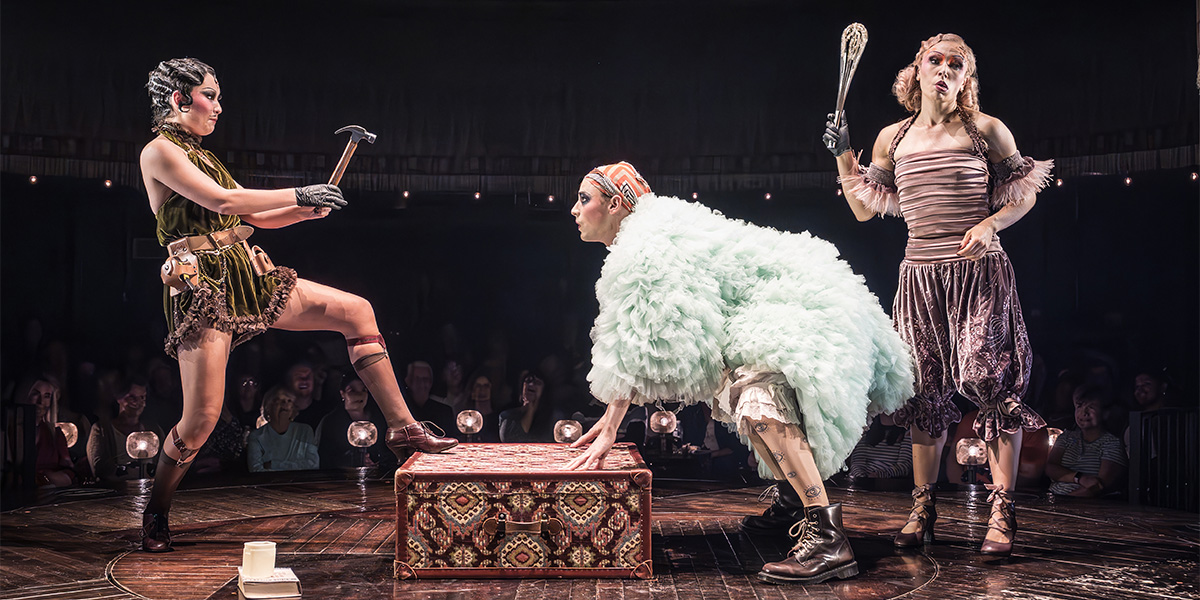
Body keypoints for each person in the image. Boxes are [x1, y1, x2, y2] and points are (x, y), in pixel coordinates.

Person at [136, 58, 457, 552]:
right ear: (180, 99)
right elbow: (225, 202)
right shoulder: (159, 152)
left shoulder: (204, 155)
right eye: (210, 96)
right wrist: (299, 191)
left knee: (357, 312)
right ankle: (157, 510)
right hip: (201, 285)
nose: (218, 107)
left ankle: (403, 429)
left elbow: (250, 218)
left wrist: (303, 210)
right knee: (200, 420)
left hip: (245, 272)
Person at [565, 161, 914, 584]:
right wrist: (609, 420)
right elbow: (647, 342)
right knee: (738, 391)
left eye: (584, 198)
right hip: (790, 297)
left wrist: (611, 427)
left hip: (801, 301)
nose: (574, 209)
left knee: (758, 399)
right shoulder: (650, 230)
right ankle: (792, 503)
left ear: (616, 204)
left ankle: (828, 539)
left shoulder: (646, 245)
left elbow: (643, 342)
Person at [824, 33, 1053, 555]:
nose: (945, 69)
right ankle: (922, 507)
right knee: (924, 391)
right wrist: (842, 156)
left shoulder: (987, 130)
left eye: (957, 64)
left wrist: (991, 225)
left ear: (966, 78)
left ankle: (1002, 511)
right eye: (936, 60)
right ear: (918, 70)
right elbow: (862, 210)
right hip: (920, 278)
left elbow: (1025, 196)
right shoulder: (892, 138)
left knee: (988, 381)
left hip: (978, 273)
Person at [1045, 385, 1127, 497]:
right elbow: (1050, 467)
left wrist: (1066, 501)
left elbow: (1097, 487)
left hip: (1084, 503)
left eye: (1091, 407)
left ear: (1105, 413)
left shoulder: (1112, 443)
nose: (1084, 412)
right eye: (1079, 406)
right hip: (1054, 497)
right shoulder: (1066, 437)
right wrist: (1079, 478)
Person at [87, 378, 166, 482]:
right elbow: (99, 467)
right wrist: (127, 471)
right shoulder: (102, 430)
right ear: (119, 398)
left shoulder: (153, 430)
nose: (137, 402)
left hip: (149, 487)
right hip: (115, 488)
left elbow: (165, 462)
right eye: (131, 397)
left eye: (142, 397)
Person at [315, 374, 391, 468]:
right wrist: (351, 460)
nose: (359, 395)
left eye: (363, 390)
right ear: (342, 393)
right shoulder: (331, 422)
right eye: (352, 391)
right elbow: (325, 457)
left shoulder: (379, 420)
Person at [246, 387, 318, 472]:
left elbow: (313, 465)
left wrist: (273, 465)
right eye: (278, 401)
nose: (284, 404)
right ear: (268, 408)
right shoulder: (256, 437)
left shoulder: (305, 431)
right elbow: (256, 471)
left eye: (289, 401)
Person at [499, 369, 564, 443]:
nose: (531, 384)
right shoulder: (507, 415)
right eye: (528, 381)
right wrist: (530, 410)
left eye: (537, 383)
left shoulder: (555, 416)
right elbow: (511, 440)